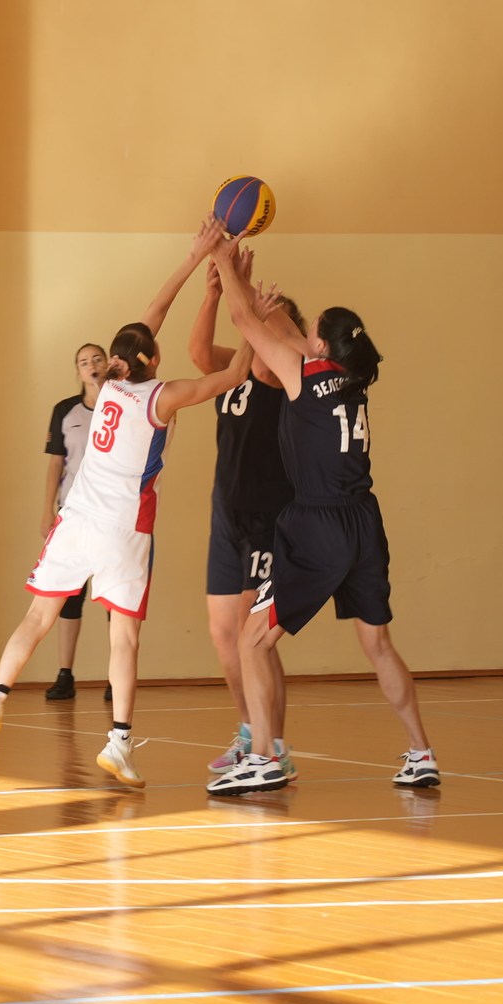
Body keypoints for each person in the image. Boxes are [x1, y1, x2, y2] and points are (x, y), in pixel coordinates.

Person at [0, 220, 250, 788]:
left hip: (76, 519)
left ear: (119, 360)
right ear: (152, 357)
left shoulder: (110, 386)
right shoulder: (164, 396)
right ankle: (118, 743)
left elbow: (154, 311)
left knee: (37, 618)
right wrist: (248, 307)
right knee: (123, 637)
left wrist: (195, 258)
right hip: (125, 528)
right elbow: (236, 373)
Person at [205, 238, 441, 794]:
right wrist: (260, 299)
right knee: (378, 644)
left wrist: (222, 261)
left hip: (318, 524)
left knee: (251, 639)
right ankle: (421, 752)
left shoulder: (302, 374)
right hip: (364, 521)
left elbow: (244, 322)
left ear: (319, 344)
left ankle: (263, 757)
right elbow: (284, 334)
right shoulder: (349, 377)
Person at [188, 257, 294, 773]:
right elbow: (198, 353)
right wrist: (215, 292)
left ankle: (274, 749)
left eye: (265, 314)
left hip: (267, 517)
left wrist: (246, 294)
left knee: (255, 634)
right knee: (222, 634)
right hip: (226, 512)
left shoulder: (280, 373)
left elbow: (262, 357)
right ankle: (251, 732)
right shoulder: (236, 366)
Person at [38, 342, 110, 700]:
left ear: (108, 363)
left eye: (97, 359)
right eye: (84, 362)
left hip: (111, 515)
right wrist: (47, 510)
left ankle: (116, 677)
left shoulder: (122, 406)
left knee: (113, 597)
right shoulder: (65, 411)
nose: (91, 365)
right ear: (78, 371)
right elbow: (56, 463)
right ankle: (65, 674)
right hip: (73, 514)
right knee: (70, 596)